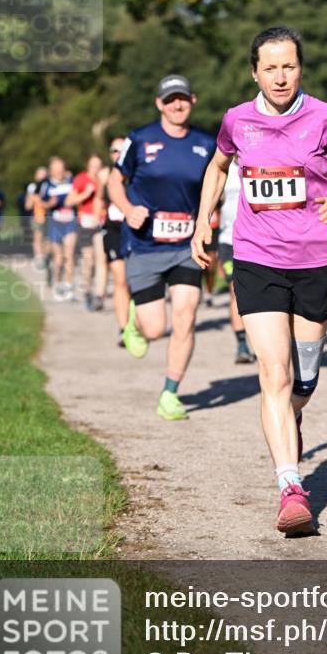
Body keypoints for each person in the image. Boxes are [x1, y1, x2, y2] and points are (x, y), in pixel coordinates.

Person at [192, 26, 327, 536]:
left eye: (288, 65)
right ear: (255, 72)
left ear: (300, 68)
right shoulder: (236, 121)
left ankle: (290, 421)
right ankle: (291, 487)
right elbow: (218, 167)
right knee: (274, 373)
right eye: (270, 67)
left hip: (316, 261)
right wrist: (204, 218)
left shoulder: (326, 117)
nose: (280, 76)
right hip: (256, 257)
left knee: (303, 382)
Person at [107, 74, 216, 419]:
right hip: (146, 245)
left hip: (186, 244)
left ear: (193, 100)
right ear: (159, 104)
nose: (177, 104)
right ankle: (133, 325)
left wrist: (207, 222)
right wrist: (127, 209)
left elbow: (216, 186)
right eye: (170, 100)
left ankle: (170, 392)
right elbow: (114, 180)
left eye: (182, 98)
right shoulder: (139, 139)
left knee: (186, 313)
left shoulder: (206, 143)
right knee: (155, 328)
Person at [217, 159, 256, 364]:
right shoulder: (221, 168)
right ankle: (242, 344)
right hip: (228, 240)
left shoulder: (259, 164)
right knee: (235, 289)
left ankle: (264, 342)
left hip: (257, 240)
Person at [99, 137, 131, 346]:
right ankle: (123, 328)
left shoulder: (138, 173)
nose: (117, 154)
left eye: (121, 150)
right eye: (113, 150)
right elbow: (98, 201)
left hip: (135, 229)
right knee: (119, 278)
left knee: (135, 279)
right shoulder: (105, 175)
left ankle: (138, 321)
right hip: (113, 229)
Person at [66, 154, 107, 311]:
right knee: (88, 261)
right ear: (88, 166)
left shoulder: (104, 179)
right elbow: (68, 201)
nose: (95, 169)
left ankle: (99, 295)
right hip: (85, 223)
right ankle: (88, 290)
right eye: (93, 166)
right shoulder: (81, 179)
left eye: (98, 166)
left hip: (101, 222)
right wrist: (85, 194)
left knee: (101, 259)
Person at [40, 157, 77, 300]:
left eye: (61, 168)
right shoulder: (47, 185)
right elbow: (41, 203)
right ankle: (58, 283)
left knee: (69, 254)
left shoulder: (72, 181)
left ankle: (68, 285)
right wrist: (50, 203)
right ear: (52, 170)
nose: (59, 171)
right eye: (56, 168)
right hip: (55, 224)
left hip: (70, 222)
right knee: (59, 258)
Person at [24, 166, 48, 266]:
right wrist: (33, 198)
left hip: (49, 215)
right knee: (38, 237)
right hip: (37, 215)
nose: (42, 176)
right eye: (40, 174)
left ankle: (47, 256)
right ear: (36, 176)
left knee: (48, 238)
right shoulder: (32, 187)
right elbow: (28, 206)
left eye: (44, 174)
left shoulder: (49, 186)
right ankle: (39, 257)